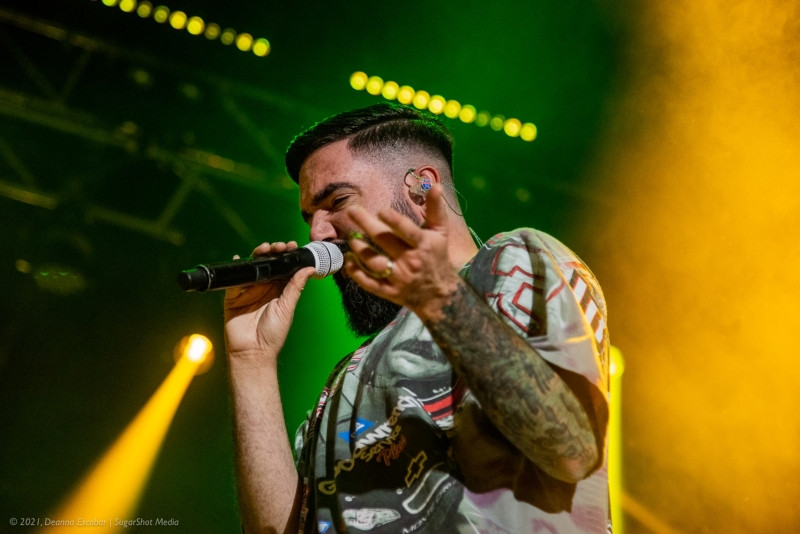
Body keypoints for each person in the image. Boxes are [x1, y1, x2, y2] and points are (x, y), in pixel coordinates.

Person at [223, 103, 610, 534]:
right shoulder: (344, 379)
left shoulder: (510, 260)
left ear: (422, 188)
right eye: (310, 216)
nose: (317, 234)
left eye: (337, 201)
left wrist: (440, 298)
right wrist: (251, 360)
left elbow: (571, 446)